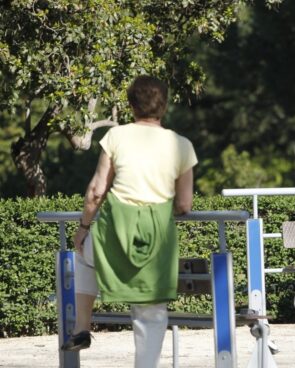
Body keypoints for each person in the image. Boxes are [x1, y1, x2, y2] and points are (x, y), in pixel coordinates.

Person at [61, 75, 197, 368]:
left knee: (84, 254)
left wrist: (83, 230)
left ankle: (82, 327)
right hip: (157, 238)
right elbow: (185, 204)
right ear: (164, 105)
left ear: (131, 105)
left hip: (113, 236)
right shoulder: (182, 144)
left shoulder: (116, 136)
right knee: (151, 311)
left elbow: (96, 191)